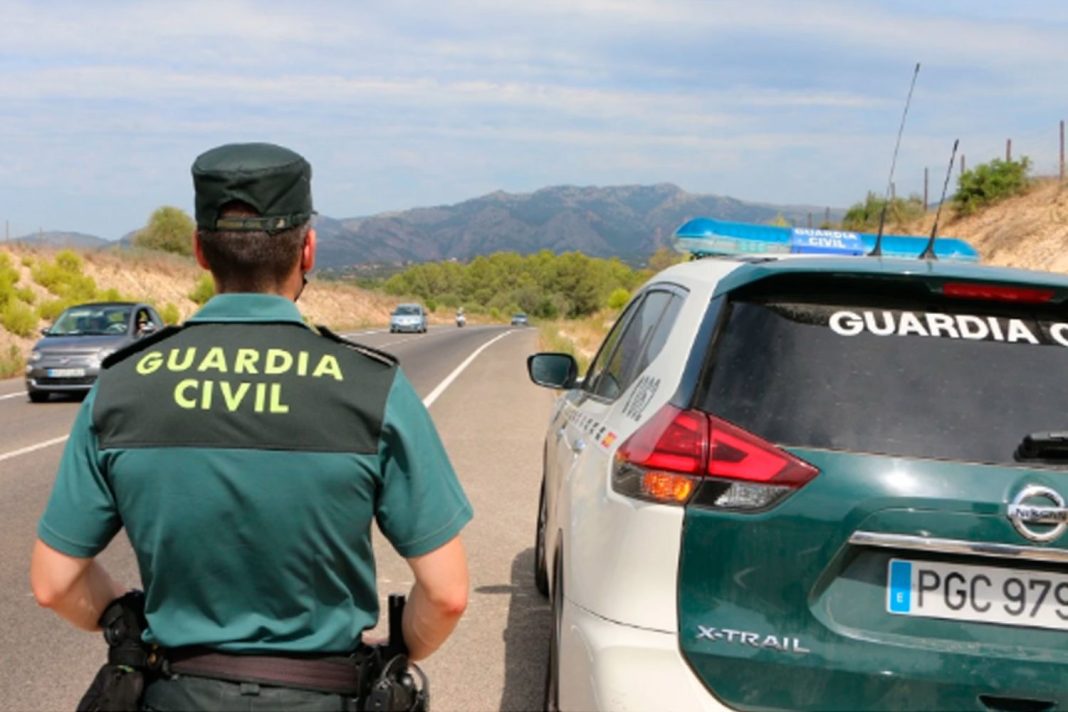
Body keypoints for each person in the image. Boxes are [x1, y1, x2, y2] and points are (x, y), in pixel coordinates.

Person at [30, 142, 472, 710]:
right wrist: (399, 646)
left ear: (199, 250)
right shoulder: (372, 387)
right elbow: (448, 594)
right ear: (307, 250)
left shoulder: (121, 386)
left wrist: (124, 614)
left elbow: (54, 582)